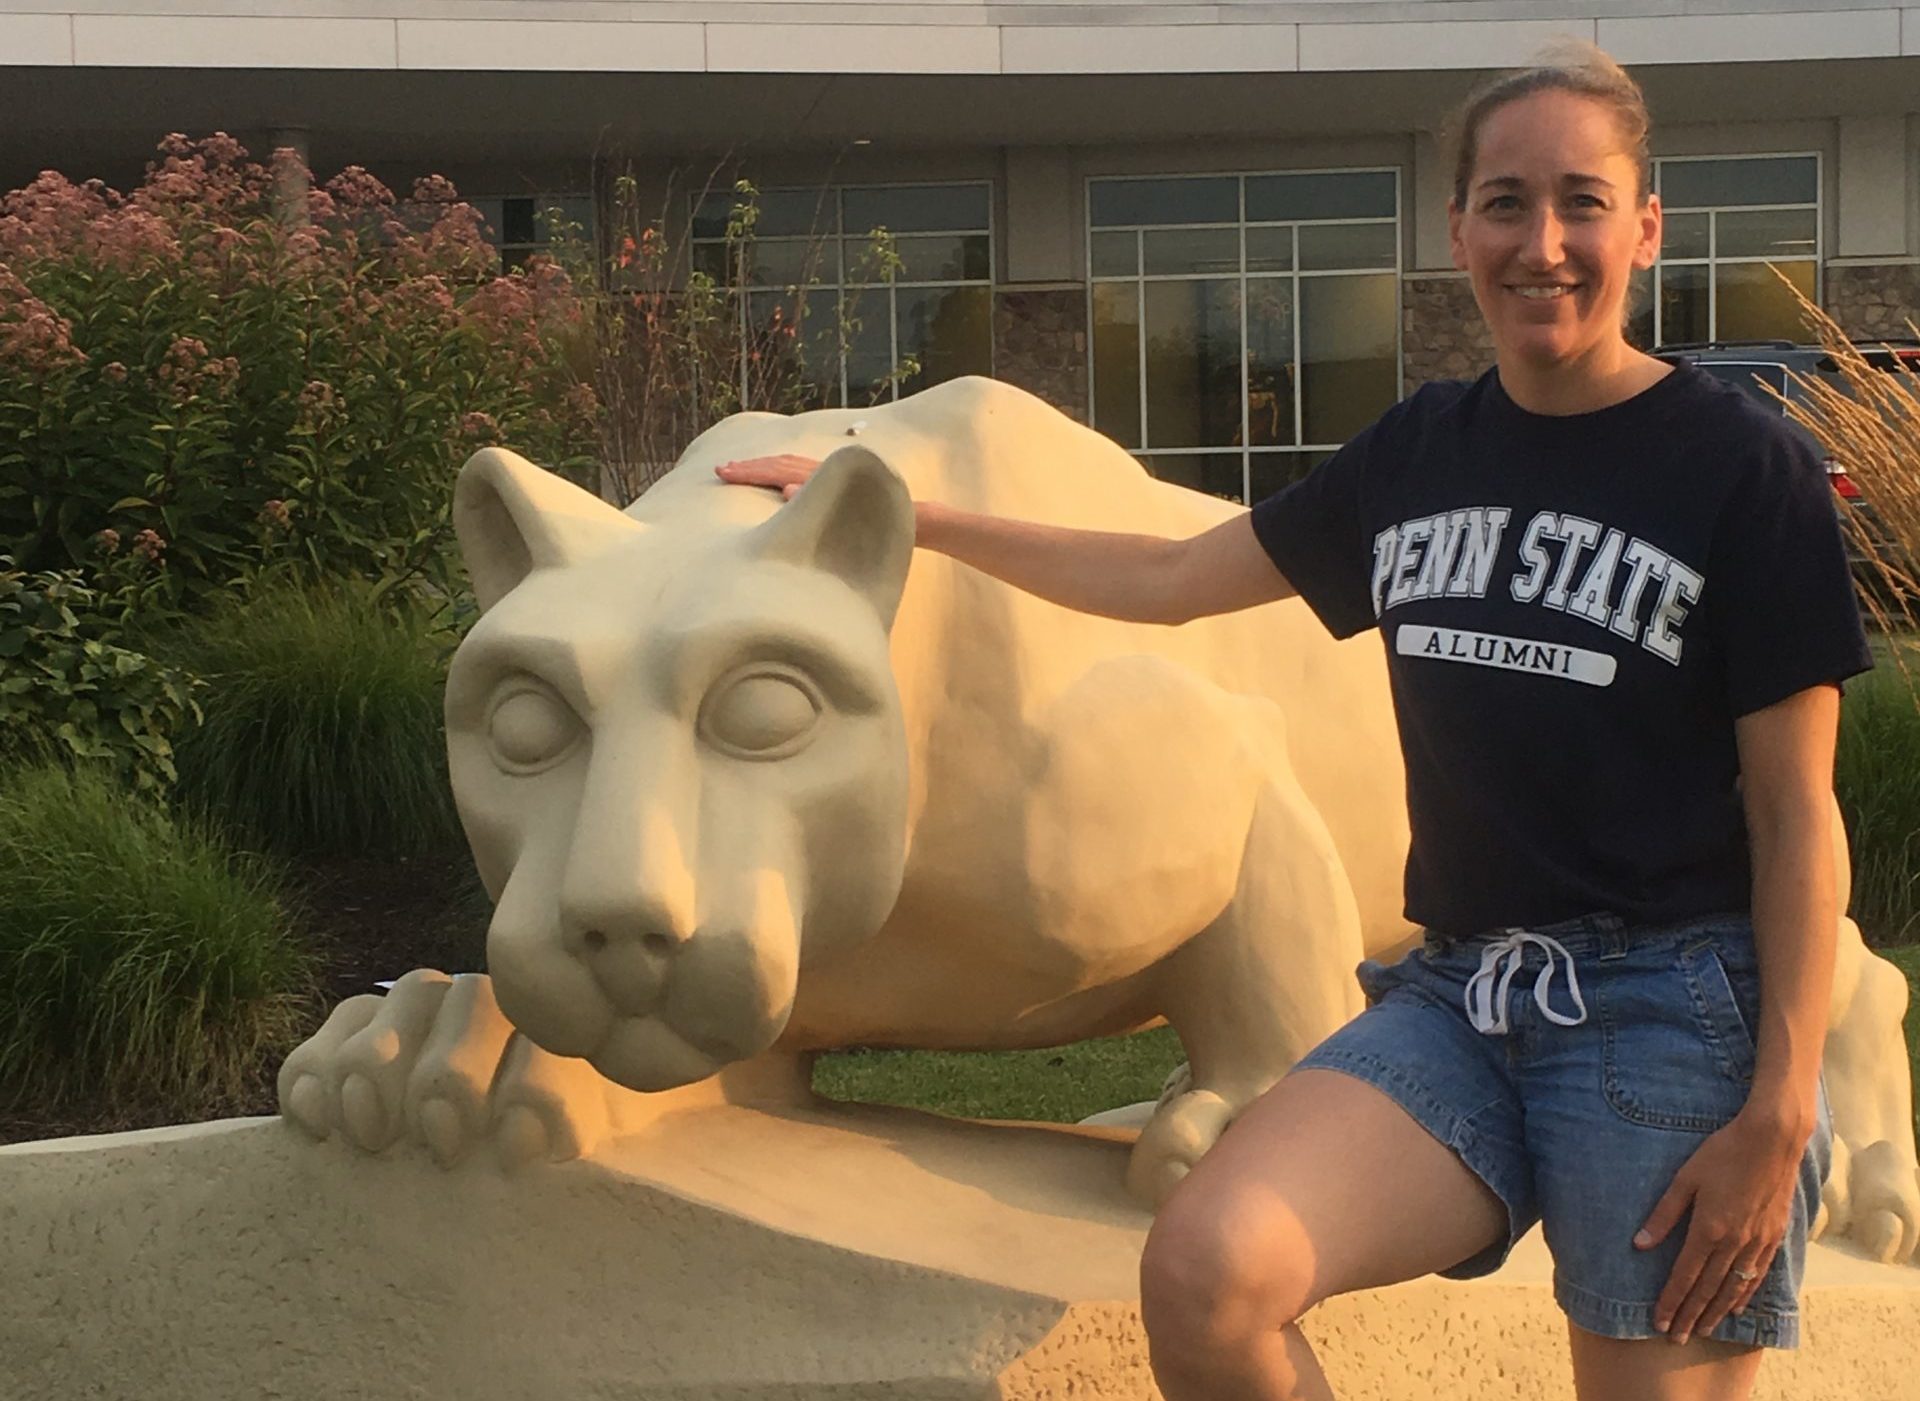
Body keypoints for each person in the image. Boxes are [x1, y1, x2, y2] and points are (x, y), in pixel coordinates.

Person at [716, 44, 1871, 1401]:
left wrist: (1782, 1104)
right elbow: (1167, 576)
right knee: (1209, 1271)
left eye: (1582, 200)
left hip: (1671, 1007)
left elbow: (1799, 814)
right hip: (1460, 998)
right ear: (1457, 230)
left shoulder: (1748, 472)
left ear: (1645, 225)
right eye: (1505, 201)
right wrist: (913, 515)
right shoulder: (1419, 450)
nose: (1541, 242)